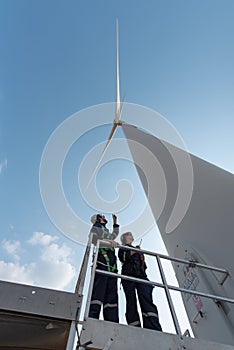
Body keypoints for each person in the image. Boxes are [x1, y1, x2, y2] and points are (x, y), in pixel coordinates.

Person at [118, 232, 162, 331]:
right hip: (128, 276)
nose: (131, 236)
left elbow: (144, 266)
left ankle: (152, 326)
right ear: (125, 238)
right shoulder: (123, 247)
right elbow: (123, 257)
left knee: (147, 299)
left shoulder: (137, 251)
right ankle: (134, 327)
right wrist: (135, 251)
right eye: (129, 235)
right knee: (131, 301)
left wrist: (141, 256)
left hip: (141, 276)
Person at [88, 213, 119, 323]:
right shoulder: (96, 227)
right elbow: (93, 239)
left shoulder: (104, 229)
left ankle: (112, 322)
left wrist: (115, 223)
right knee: (98, 292)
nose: (104, 218)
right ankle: (92, 319)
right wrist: (108, 242)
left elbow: (113, 236)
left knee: (111, 295)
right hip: (102, 261)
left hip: (111, 264)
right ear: (98, 218)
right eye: (102, 216)